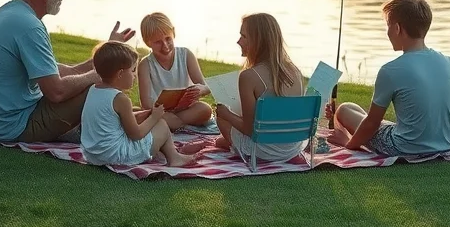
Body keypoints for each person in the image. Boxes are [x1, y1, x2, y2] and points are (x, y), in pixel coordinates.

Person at [0, 0, 135, 142]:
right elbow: (57, 92)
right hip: (13, 128)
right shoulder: (29, 26)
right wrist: (105, 74)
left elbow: (66, 72)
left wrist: (108, 48)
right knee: (101, 87)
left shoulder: (9, 13)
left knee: (91, 83)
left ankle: (127, 121)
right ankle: (122, 135)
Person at [327, 0, 450, 161]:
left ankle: (342, 130)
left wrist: (348, 144)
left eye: (388, 26)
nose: (388, 32)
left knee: (345, 109)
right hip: (446, 145)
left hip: (404, 148)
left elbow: (372, 124)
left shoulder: (390, 70)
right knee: (372, 119)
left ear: (397, 28)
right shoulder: (448, 63)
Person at [80, 41, 197, 167]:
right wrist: (154, 117)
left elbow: (115, 120)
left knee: (145, 119)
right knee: (161, 124)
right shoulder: (120, 99)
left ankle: (168, 153)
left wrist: (146, 114)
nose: (135, 75)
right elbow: (136, 134)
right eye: (132, 70)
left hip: (93, 155)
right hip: (116, 155)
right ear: (120, 74)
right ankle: (175, 158)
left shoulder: (93, 90)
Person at [213, 13, 309, 163]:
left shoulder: (249, 76)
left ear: (258, 41)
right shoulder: (295, 72)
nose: (238, 41)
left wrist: (224, 114)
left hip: (264, 151)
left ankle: (234, 145)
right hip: (292, 148)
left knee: (223, 117)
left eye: (243, 36)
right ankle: (228, 143)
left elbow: (249, 130)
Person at [136, 12, 213, 131]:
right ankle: (173, 124)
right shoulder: (145, 65)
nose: (165, 46)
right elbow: (146, 103)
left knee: (205, 110)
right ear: (147, 42)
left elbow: (205, 86)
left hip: (185, 109)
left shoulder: (186, 55)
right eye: (158, 42)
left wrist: (200, 90)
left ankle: (173, 124)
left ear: (174, 33)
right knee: (142, 113)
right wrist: (163, 115)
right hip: (159, 113)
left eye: (168, 39)